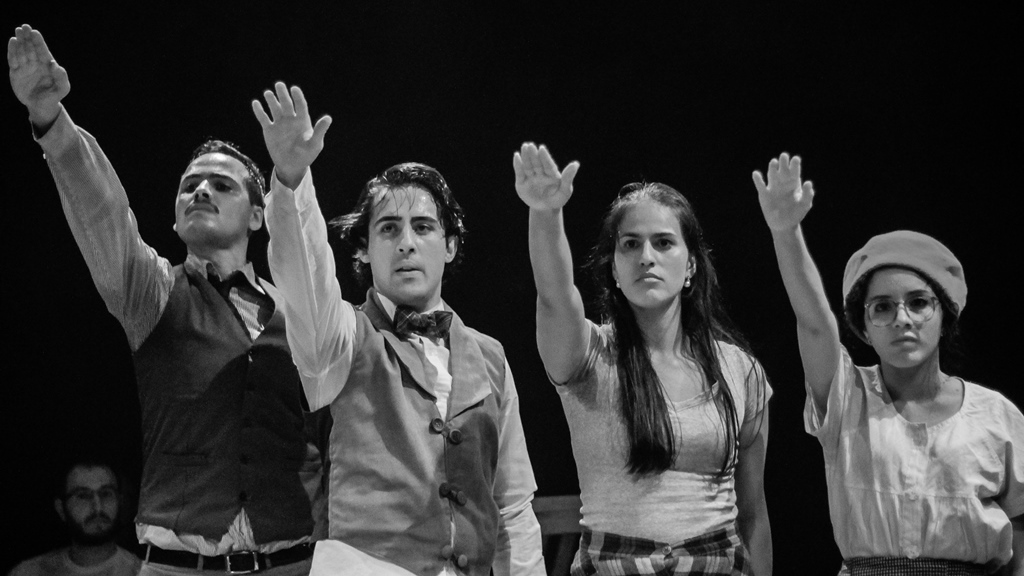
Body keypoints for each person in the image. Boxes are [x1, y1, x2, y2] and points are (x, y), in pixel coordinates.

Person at [9, 25, 327, 575]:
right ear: (176, 217)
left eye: (222, 186)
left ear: (258, 215)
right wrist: (51, 121)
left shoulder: (300, 311)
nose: (201, 190)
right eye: (189, 185)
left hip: (292, 565)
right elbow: (101, 211)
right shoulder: (153, 292)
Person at [251, 83, 545, 576]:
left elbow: (512, 505)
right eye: (388, 228)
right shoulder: (342, 337)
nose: (406, 242)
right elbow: (304, 276)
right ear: (364, 249)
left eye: (423, 227)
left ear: (450, 245)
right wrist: (291, 179)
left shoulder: (490, 356)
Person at [753, 152, 1024, 575]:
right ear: (863, 327)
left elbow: (1020, 528)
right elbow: (815, 325)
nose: (902, 319)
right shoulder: (848, 399)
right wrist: (786, 232)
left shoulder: (996, 416)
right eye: (882, 307)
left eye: (918, 303)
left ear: (945, 316)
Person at [513, 143, 772, 575]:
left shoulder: (740, 370)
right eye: (630, 244)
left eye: (664, 243)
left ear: (691, 266)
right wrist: (545, 212)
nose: (646, 257)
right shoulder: (589, 355)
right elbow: (554, 295)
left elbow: (754, 514)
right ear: (614, 269)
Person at [8, 459, 141, 576]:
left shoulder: (143, 572)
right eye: (83, 496)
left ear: (120, 501)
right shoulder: (28, 572)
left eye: (106, 494)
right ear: (61, 508)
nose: (98, 507)